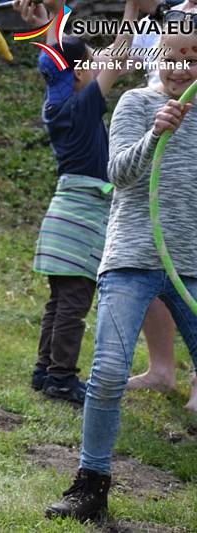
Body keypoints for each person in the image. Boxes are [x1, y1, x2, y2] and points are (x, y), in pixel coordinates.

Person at [46, 31, 197, 523]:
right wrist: (157, 134)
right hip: (132, 258)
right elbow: (119, 173)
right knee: (109, 371)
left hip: (191, 266)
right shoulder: (136, 102)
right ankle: (90, 486)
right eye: (174, 55)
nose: (182, 67)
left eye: (194, 58)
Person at [14, 0, 136, 404]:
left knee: (59, 301)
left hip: (63, 217)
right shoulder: (83, 107)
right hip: (81, 222)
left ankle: (43, 370)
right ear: (83, 73)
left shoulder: (57, 103)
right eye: (92, 60)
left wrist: (51, 17)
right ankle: (62, 377)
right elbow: (119, 56)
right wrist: (134, 9)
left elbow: (57, 57)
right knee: (74, 305)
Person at [126, 0, 197, 411]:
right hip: (162, 128)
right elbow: (135, 57)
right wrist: (136, 12)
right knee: (153, 253)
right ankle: (161, 369)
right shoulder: (170, 11)